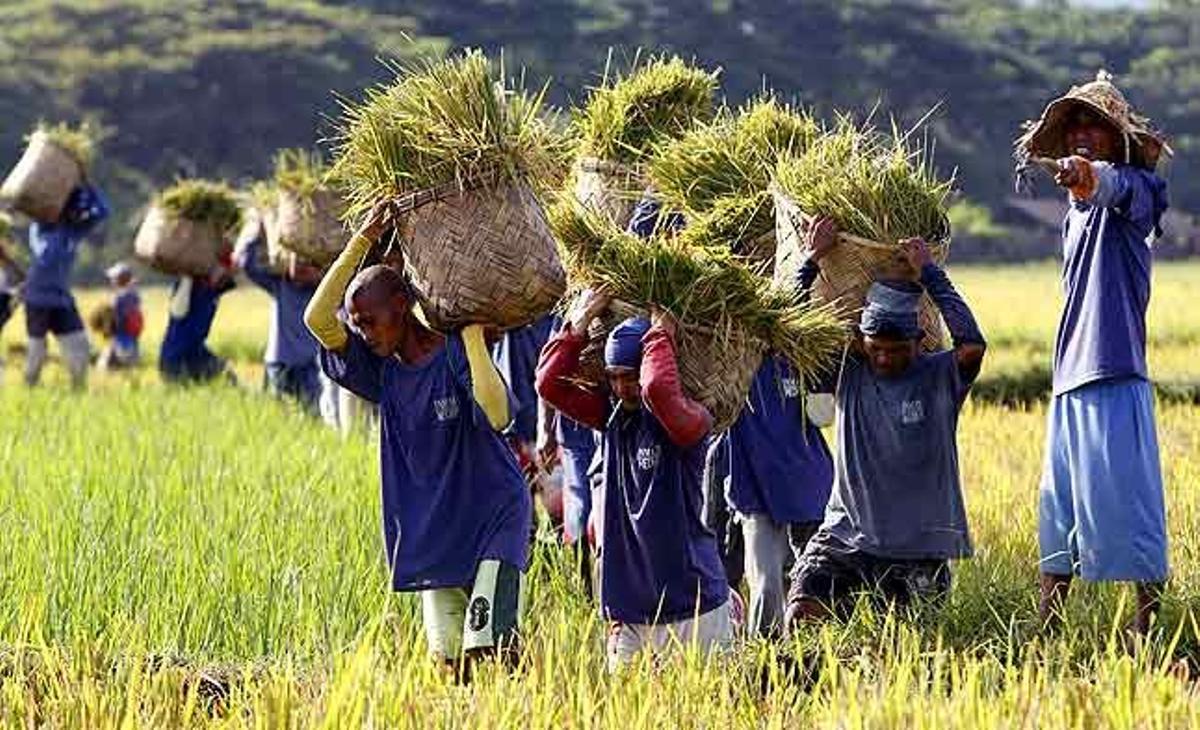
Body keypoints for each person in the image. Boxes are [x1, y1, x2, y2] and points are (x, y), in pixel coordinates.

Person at [304, 204, 531, 678]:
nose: (364, 334)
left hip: (492, 516)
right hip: (434, 528)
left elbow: (498, 414)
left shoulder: (453, 355)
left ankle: (531, 702)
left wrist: (471, 336)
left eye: (370, 320)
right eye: (358, 323)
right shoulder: (380, 372)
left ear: (401, 304)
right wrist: (363, 240)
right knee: (450, 664)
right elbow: (318, 319)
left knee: (490, 648)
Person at [1016, 72, 1172, 635]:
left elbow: (1111, 185)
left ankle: (1147, 626)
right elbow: (1089, 188)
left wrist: (1089, 175)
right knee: (1058, 511)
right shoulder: (1073, 217)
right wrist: (1082, 183)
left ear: (1117, 140)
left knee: (1132, 503)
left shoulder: (1139, 191)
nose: (1082, 132)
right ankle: (1048, 627)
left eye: (1095, 125)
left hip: (1114, 370)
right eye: (1075, 124)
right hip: (1069, 378)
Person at [784, 221, 986, 625]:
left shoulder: (938, 377)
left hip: (916, 548)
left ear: (919, 343)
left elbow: (972, 345)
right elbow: (788, 333)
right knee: (802, 614)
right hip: (845, 536)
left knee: (905, 644)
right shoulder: (848, 371)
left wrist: (930, 274)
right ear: (861, 342)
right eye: (877, 349)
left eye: (898, 351)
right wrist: (813, 258)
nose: (886, 359)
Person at [536, 292, 731, 671]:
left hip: (693, 605)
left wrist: (660, 333)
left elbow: (657, 389)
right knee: (627, 703)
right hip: (629, 609)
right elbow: (549, 384)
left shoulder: (690, 422)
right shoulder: (611, 418)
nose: (622, 387)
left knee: (707, 702)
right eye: (614, 378)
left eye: (630, 376)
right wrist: (579, 323)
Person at [718, 352, 834, 639]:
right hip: (754, 485)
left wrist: (820, 375)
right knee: (766, 585)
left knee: (809, 585)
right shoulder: (733, 358)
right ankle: (766, 656)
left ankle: (811, 652)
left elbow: (823, 415)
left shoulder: (802, 356)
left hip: (807, 484)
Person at [22, 183, 110, 389]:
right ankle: (29, 388)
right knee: (37, 349)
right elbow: (45, 255)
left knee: (79, 344)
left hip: (62, 298)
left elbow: (103, 211)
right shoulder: (40, 229)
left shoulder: (73, 231)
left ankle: (78, 389)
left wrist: (88, 185)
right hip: (38, 298)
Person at [236, 225, 324, 413]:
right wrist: (256, 233)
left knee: (312, 415)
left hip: (309, 366)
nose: (301, 267)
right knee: (279, 414)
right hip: (279, 363)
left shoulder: (322, 292)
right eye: (296, 261)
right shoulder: (280, 285)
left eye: (308, 263)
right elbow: (247, 264)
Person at [159, 248, 236, 384]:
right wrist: (187, 277)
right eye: (221, 269)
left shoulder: (213, 290)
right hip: (176, 358)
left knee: (227, 375)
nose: (223, 273)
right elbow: (177, 313)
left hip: (196, 353)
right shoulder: (191, 285)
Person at [96, 262, 143, 371]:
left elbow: (115, 320)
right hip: (132, 339)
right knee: (129, 364)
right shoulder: (134, 295)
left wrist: (106, 330)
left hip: (120, 338)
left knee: (105, 365)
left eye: (113, 279)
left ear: (118, 280)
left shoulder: (119, 298)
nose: (111, 281)